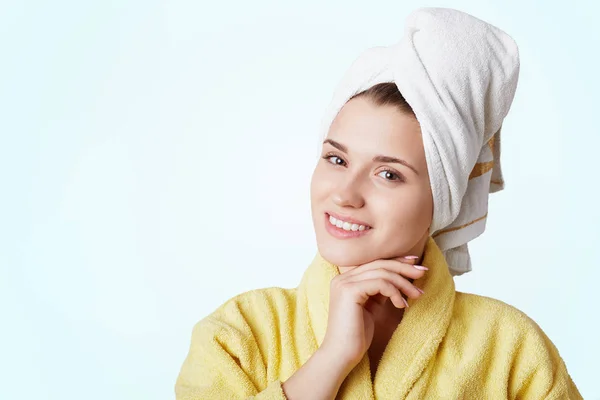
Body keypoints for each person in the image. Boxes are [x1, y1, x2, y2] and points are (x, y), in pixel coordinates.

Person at [174, 7, 582, 400]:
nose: (345, 194)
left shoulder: (510, 349)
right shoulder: (238, 335)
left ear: (443, 200)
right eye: (337, 159)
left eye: (389, 174)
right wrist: (331, 360)